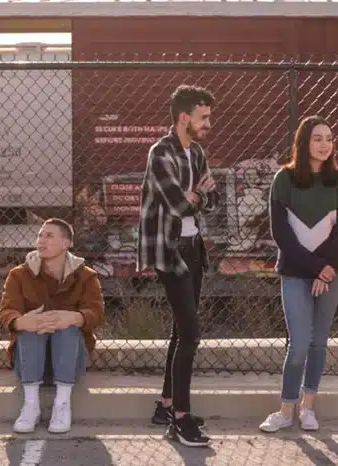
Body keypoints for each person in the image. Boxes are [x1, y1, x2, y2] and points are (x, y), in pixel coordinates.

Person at [136, 84, 219, 448]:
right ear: (184, 117)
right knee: (191, 333)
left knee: (181, 331)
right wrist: (198, 194)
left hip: (194, 248)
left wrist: (198, 195)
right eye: (204, 117)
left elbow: (211, 200)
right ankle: (180, 421)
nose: (208, 124)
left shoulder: (196, 152)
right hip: (169, 251)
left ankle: (166, 405)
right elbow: (178, 205)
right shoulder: (161, 152)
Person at [259, 116, 338, 434]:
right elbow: (282, 235)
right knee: (299, 344)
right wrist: (316, 268)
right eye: (317, 138)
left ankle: (307, 408)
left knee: (318, 343)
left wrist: (327, 271)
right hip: (297, 274)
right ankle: (286, 410)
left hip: (331, 274)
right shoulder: (283, 179)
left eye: (329, 138)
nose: (325, 144)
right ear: (303, 143)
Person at [0, 218, 105, 434]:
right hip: (28, 363)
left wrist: (75, 318)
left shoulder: (86, 276)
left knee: (66, 327)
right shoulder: (18, 274)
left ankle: (62, 405)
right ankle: (31, 406)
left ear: (66, 243)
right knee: (31, 327)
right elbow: (6, 310)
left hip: (71, 363)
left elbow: (96, 311)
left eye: (49, 235)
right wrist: (20, 321)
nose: (41, 240)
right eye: (40, 235)